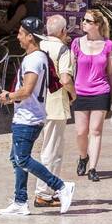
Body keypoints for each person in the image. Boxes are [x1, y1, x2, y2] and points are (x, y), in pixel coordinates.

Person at [0, 18, 76, 217]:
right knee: (16, 159)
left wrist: (8, 96)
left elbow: (26, 90)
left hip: (29, 117)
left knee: (22, 159)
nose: (18, 37)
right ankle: (20, 201)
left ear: (30, 37)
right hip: (26, 115)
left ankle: (61, 186)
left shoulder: (34, 59)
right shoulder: (37, 57)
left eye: (21, 33)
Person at [33, 15, 77, 210]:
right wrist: (74, 94)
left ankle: (45, 191)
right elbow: (66, 79)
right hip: (55, 105)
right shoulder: (62, 49)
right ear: (62, 31)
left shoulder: (38, 47)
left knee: (45, 148)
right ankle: (44, 193)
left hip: (36, 104)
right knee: (52, 151)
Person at [71, 7, 112, 183]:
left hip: (101, 91)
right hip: (81, 91)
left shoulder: (108, 45)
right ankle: (83, 156)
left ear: (97, 24)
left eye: (87, 21)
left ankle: (93, 168)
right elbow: (71, 68)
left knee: (96, 131)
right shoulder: (76, 43)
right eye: (83, 20)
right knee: (81, 132)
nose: (83, 23)